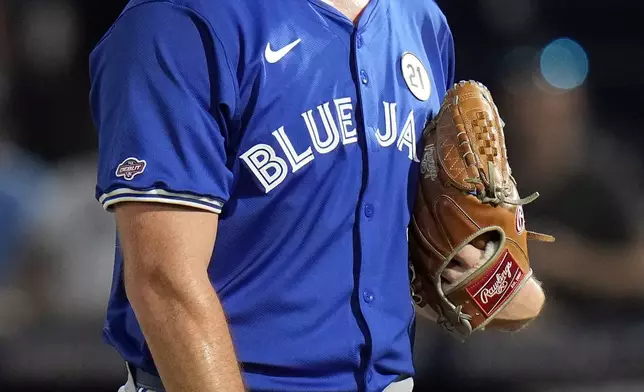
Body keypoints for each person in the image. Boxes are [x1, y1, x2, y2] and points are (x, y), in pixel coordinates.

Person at [89, 0, 468, 391]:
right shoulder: (179, 17)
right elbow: (164, 280)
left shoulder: (422, 20)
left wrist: (490, 275)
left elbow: (428, 241)